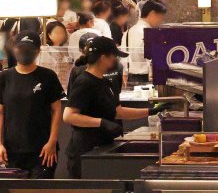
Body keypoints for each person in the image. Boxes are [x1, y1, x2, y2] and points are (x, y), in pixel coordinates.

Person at [62, 37, 153, 178]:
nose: (116, 60)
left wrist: (150, 111)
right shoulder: (84, 82)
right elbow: (69, 116)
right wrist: (102, 122)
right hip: (85, 152)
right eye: (114, 56)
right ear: (103, 58)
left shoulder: (105, 82)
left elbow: (117, 111)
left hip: (101, 147)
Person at [0, 31, 65, 178]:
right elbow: (1, 112)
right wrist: (0, 144)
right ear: (14, 49)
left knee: (40, 190)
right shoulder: (4, 77)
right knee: (13, 191)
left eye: (29, 49)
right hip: (12, 150)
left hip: (42, 150)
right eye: (21, 48)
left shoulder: (48, 76)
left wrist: (52, 141)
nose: (25, 52)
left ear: (38, 51)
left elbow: (56, 110)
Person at [122, 0, 167, 84]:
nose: (161, 21)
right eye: (161, 17)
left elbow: (124, 57)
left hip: (131, 78)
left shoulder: (128, 32)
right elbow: (152, 59)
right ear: (152, 14)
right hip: (147, 79)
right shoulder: (149, 33)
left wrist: (124, 74)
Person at [39, 20, 71, 89]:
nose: (61, 35)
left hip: (63, 84)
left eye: (62, 33)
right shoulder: (45, 51)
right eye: (57, 33)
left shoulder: (66, 50)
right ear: (49, 35)